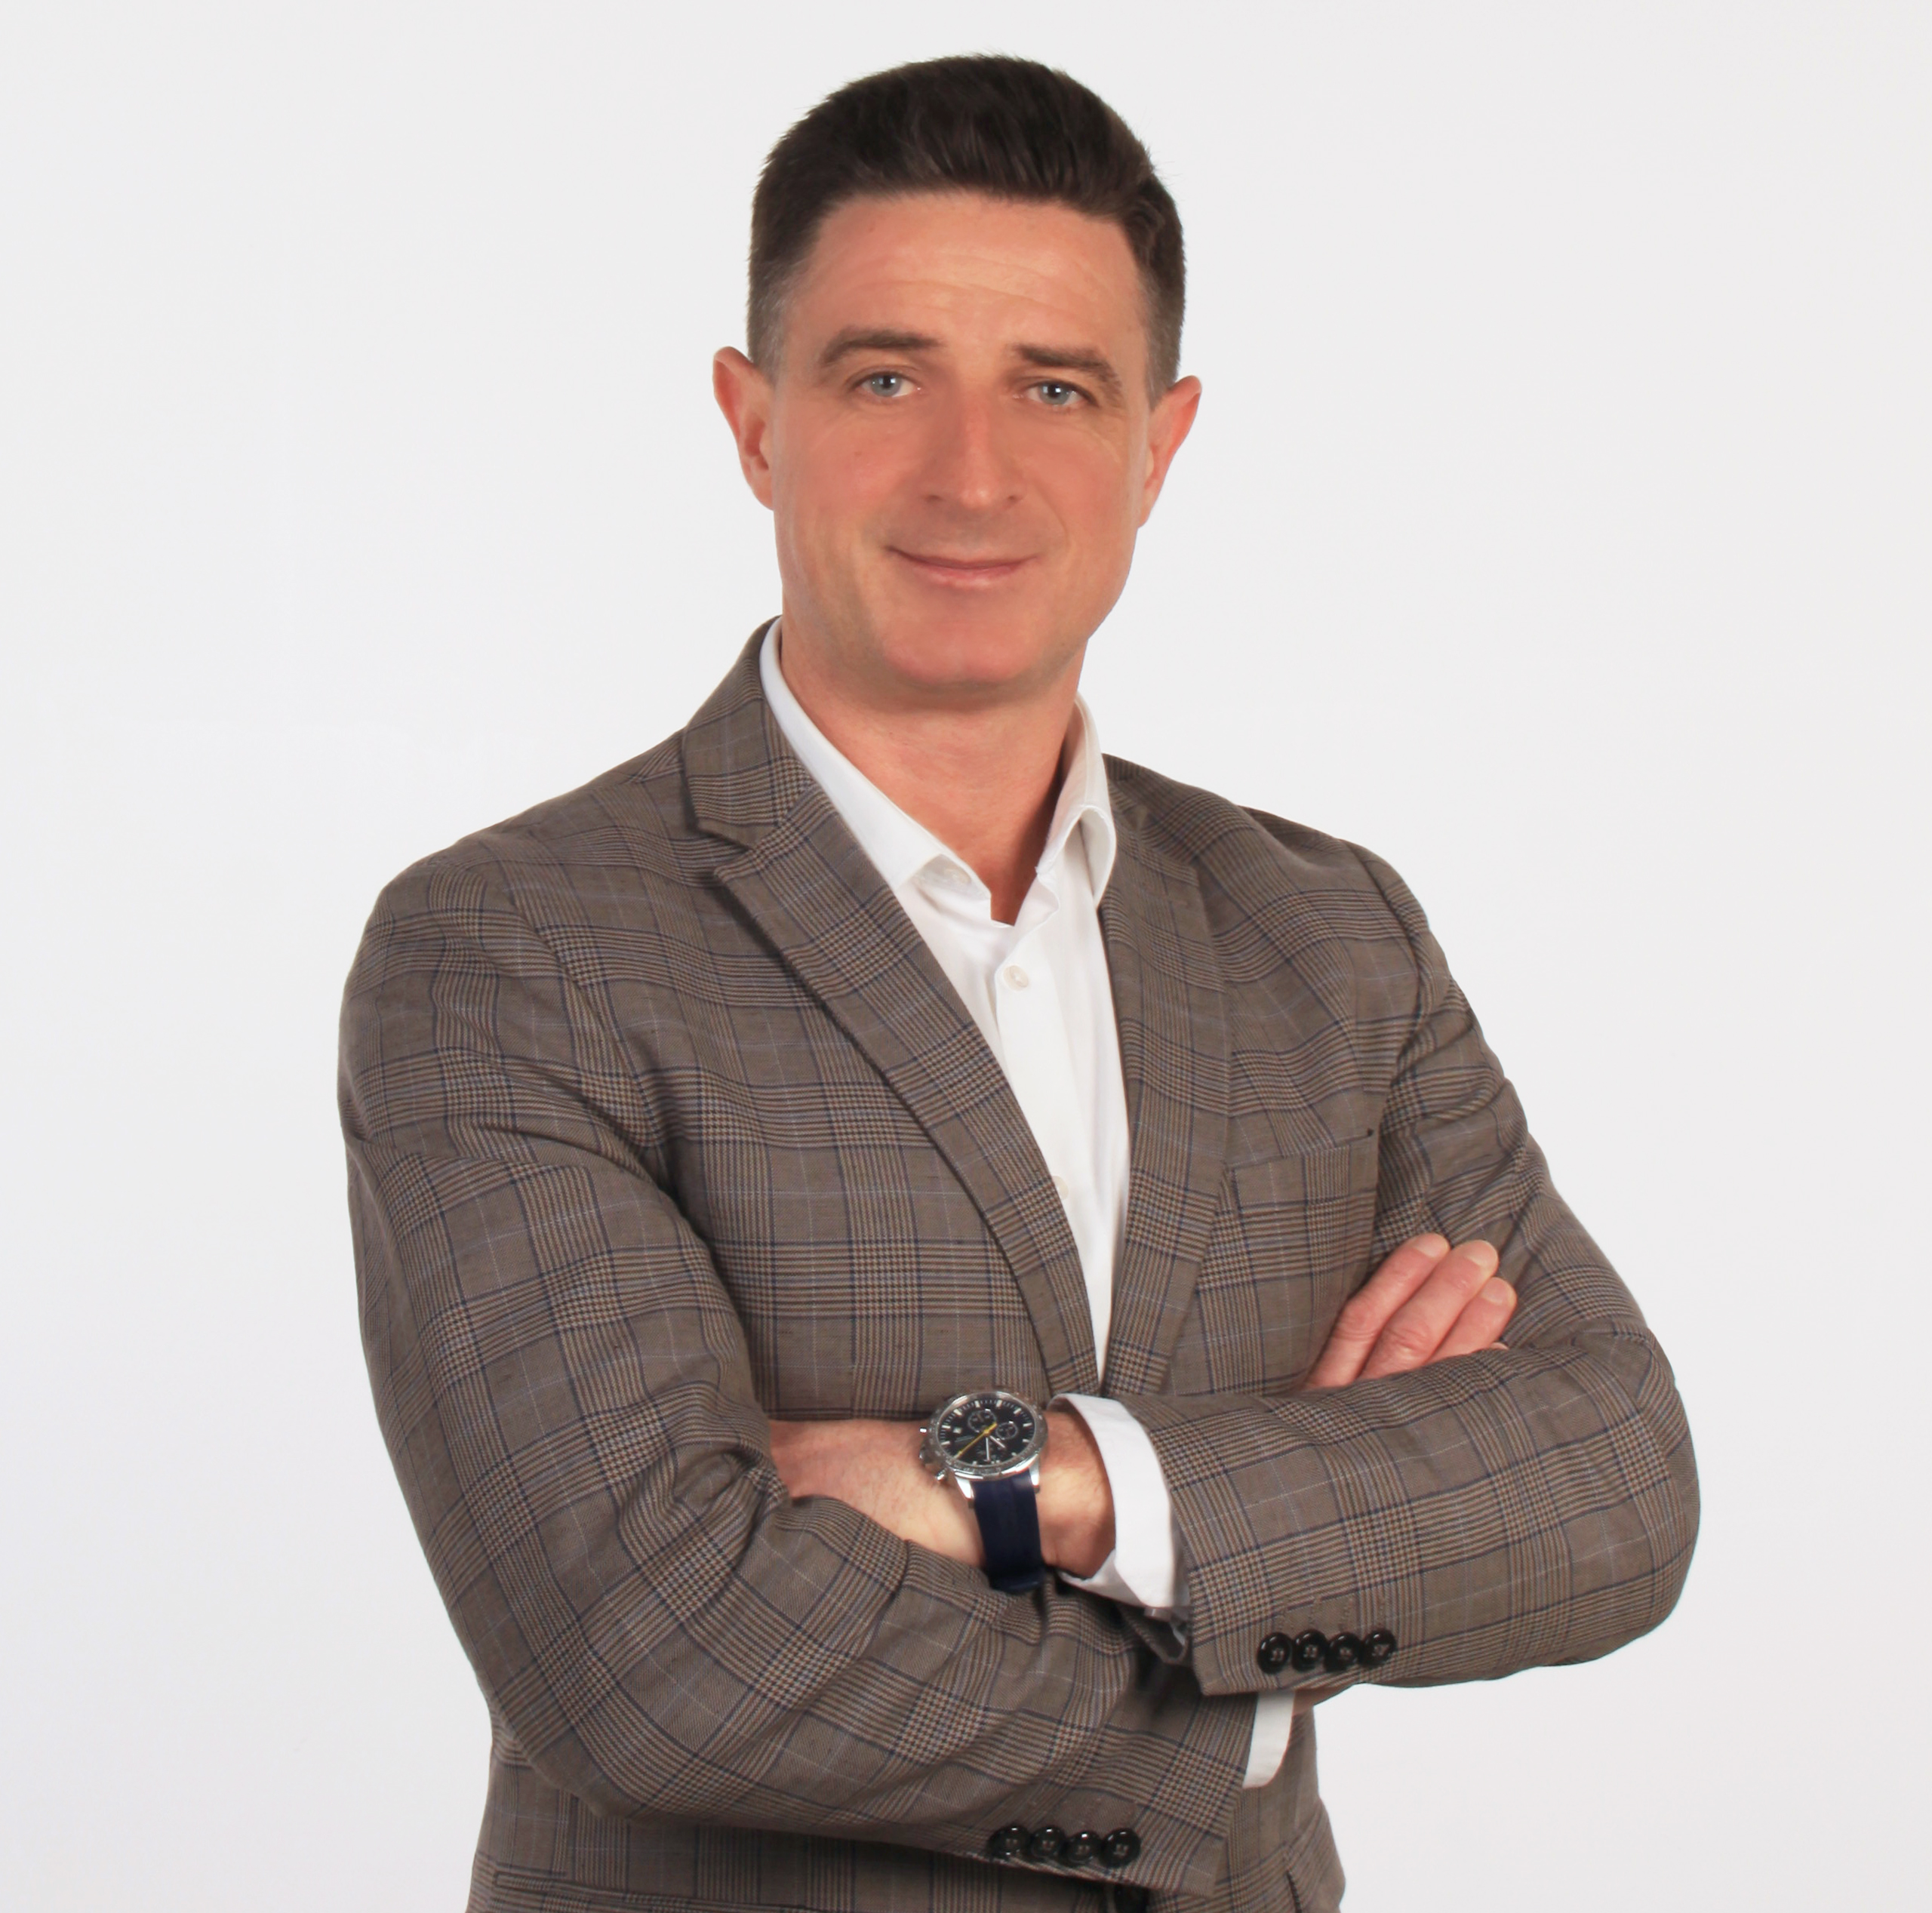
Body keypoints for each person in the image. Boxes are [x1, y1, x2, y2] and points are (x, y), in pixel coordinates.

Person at [340, 54, 1697, 1913]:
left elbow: (1611, 1480)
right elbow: (650, 1647)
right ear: (753, 422)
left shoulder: (1324, 933)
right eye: (884, 377)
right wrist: (1256, 1661)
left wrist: (1038, 1474)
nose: (970, 474)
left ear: (1159, 443)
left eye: (1054, 388)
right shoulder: (514, 949)